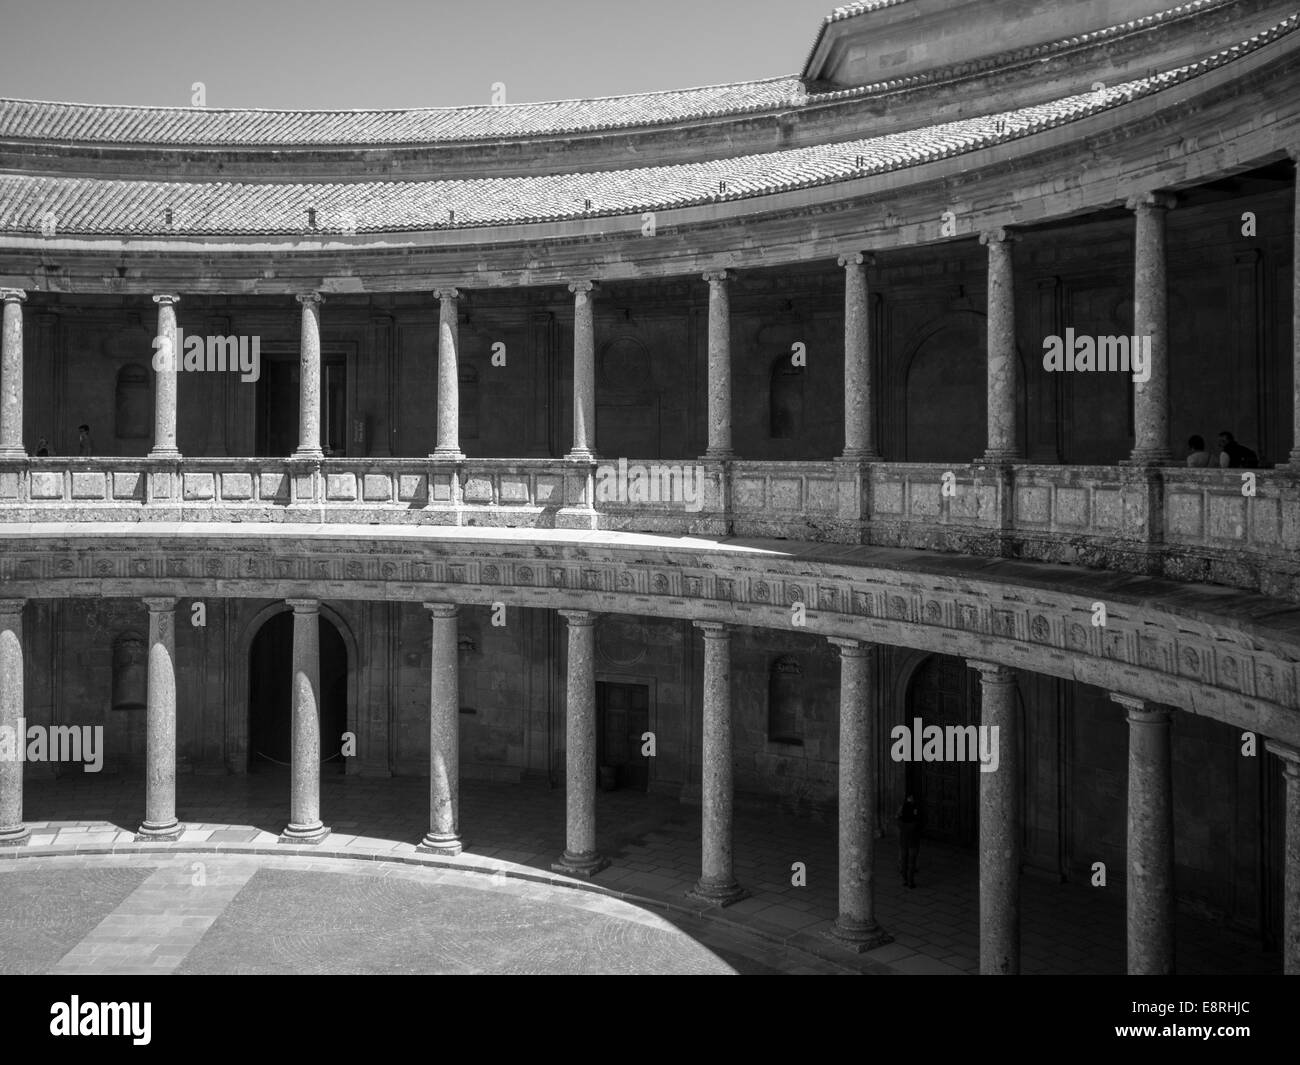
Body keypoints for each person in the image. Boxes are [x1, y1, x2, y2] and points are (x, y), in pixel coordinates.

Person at [896, 793, 924, 888]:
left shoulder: (901, 823)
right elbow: (919, 823)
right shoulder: (915, 824)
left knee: (904, 862)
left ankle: (904, 880)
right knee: (912, 863)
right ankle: (910, 882)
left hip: (903, 843)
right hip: (913, 843)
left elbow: (898, 817)